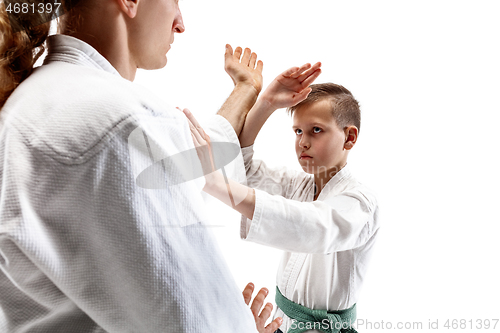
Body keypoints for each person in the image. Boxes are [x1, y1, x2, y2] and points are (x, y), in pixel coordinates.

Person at [0, 0, 282, 331]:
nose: (180, 23)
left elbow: (195, 154)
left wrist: (246, 91)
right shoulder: (122, 124)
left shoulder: (32, 99)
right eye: (175, 1)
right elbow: (197, 325)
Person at [186, 64, 379, 332]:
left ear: (349, 137)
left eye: (316, 130)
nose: (303, 142)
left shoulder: (360, 203)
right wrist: (265, 102)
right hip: (283, 323)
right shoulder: (299, 186)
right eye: (298, 131)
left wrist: (218, 184)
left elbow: (312, 226)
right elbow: (246, 169)